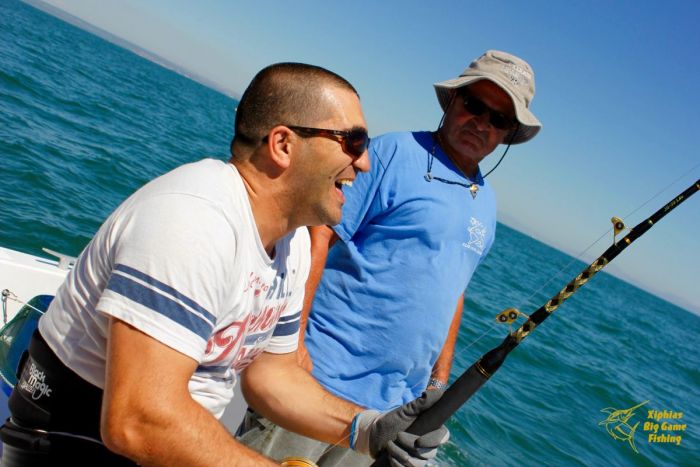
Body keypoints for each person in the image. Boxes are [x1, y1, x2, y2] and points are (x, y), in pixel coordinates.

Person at [0, 63, 449, 466]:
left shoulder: (290, 242)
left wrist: (365, 428)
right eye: (353, 141)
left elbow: (271, 375)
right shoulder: (193, 219)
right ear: (283, 145)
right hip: (70, 440)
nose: (366, 162)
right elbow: (136, 422)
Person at [241, 50, 543, 464]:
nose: (482, 123)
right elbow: (320, 234)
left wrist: (438, 384)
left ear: (508, 133)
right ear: (453, 101)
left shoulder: (487, 205)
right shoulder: (393, 153)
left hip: (390, 412)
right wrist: (292, 341)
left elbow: (454, 287)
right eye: (475, 105)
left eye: (499, 119)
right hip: (318, 381)